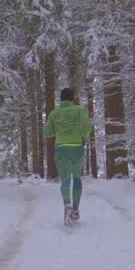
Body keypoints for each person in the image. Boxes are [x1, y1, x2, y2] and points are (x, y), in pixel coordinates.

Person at [42, 87, 92, 224]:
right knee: (76, 179)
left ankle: (67, 205)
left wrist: (57, 129)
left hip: (61, 149)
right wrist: (84, 136)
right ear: (72, 99)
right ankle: (75, 210)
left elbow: (47, 132)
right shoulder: (79, 110)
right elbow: (87, 125)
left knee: (65, 180)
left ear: (61, 99)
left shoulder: (54, 113)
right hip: (77, 148)